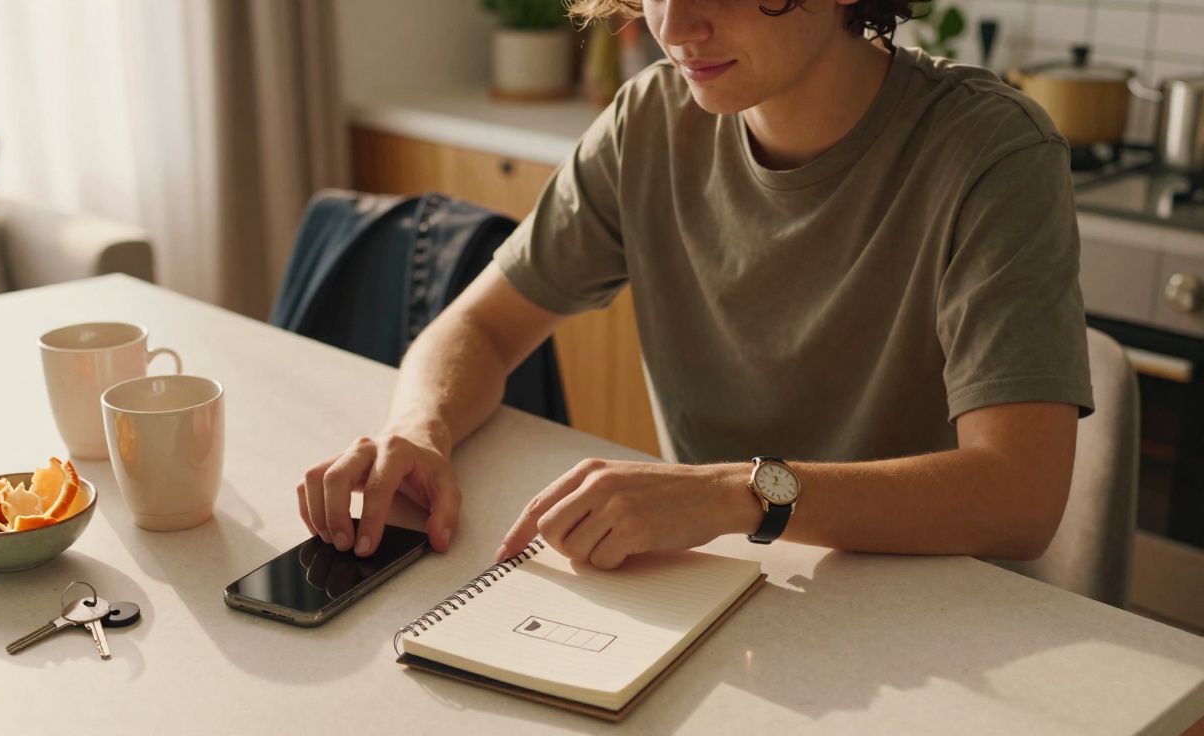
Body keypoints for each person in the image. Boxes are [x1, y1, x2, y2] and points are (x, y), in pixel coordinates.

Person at [296, 0, 1093, 570]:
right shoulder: (648, 121)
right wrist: (419, 431)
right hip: (721, 589)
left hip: (938, 616)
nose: (671, 26)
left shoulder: (992, 153)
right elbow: (479, 327)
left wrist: (734, 495)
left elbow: (1017, 496)